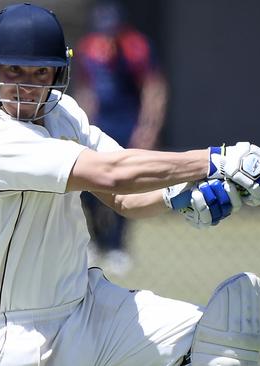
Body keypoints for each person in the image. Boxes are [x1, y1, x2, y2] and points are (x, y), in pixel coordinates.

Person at [0, 3, 260, 365]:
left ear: (57, 74)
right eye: (14, 70)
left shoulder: (64, 114)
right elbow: (111, 172)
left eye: (40, 73)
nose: (27, 87)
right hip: (17, 335)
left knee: (223, 336)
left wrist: (180, 198)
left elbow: (123, 198)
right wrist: (215, 160)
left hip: (89, 308)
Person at [73, 0, 168, 275]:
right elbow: (86, 89)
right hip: (100, 125)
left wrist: (148, 127)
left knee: (126, 188)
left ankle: (117, 246)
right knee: (88, 189)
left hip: (128, 125)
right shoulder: (89, 48)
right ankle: (97, 240)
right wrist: (83, 123)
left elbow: (154, 88)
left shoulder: (137, 46)